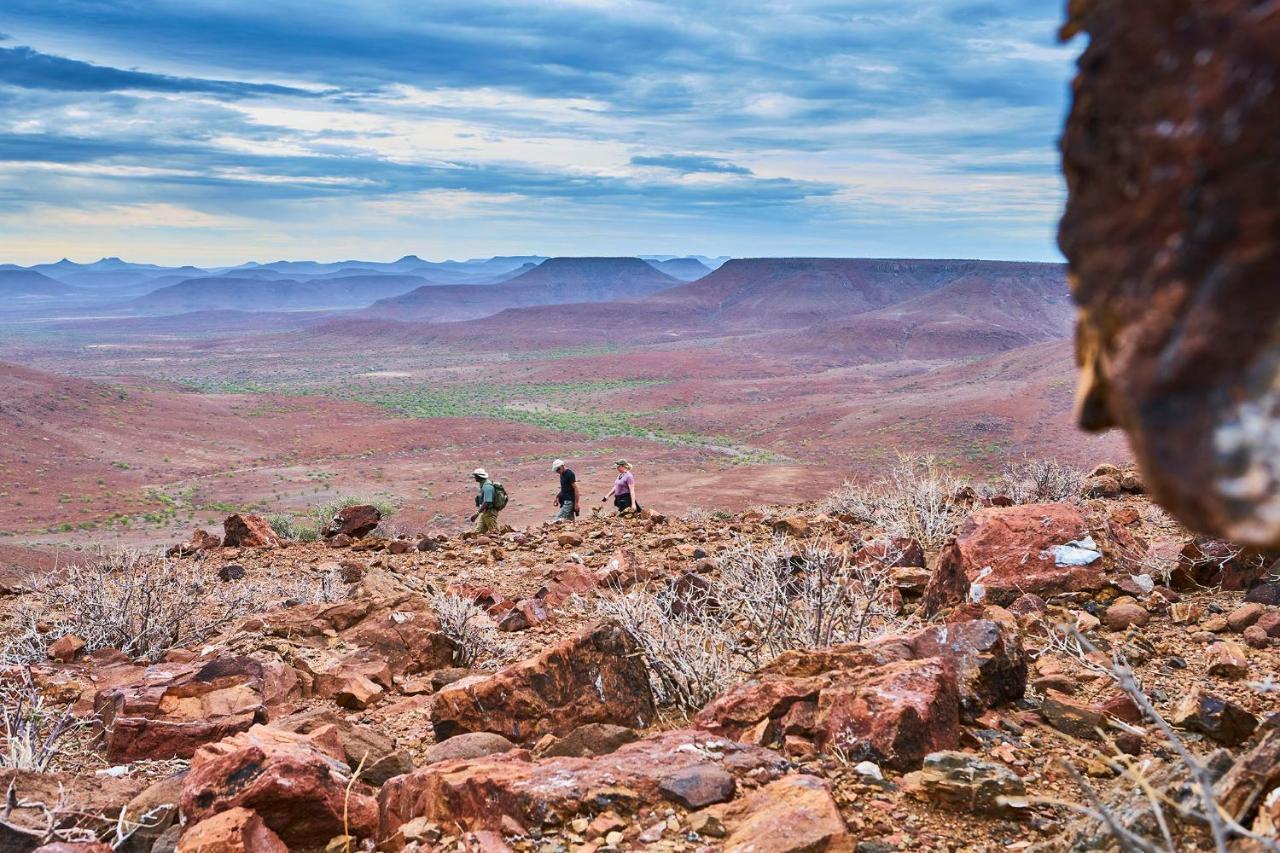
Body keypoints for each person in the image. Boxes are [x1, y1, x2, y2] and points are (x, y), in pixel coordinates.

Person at [469, 467, 499, 533]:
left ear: (479, 477)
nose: (475, 478)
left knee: (494, 532)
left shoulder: (487, 486)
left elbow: (488, 501)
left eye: (475, 476)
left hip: (490, 512)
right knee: (478, 532)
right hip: (484, 512)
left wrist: (477, 513)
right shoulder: (484, 484)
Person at [551, 458, 578, 522]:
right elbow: (564, 488)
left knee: (557, 520)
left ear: (562, 466)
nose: (558, 472)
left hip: (569, 502)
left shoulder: (570, 474)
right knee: (570, 521)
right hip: (564, 501)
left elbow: (576, 489)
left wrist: (576, 504)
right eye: (556, 470)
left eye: (558, 469)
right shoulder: (562, 474)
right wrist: (557, 497)